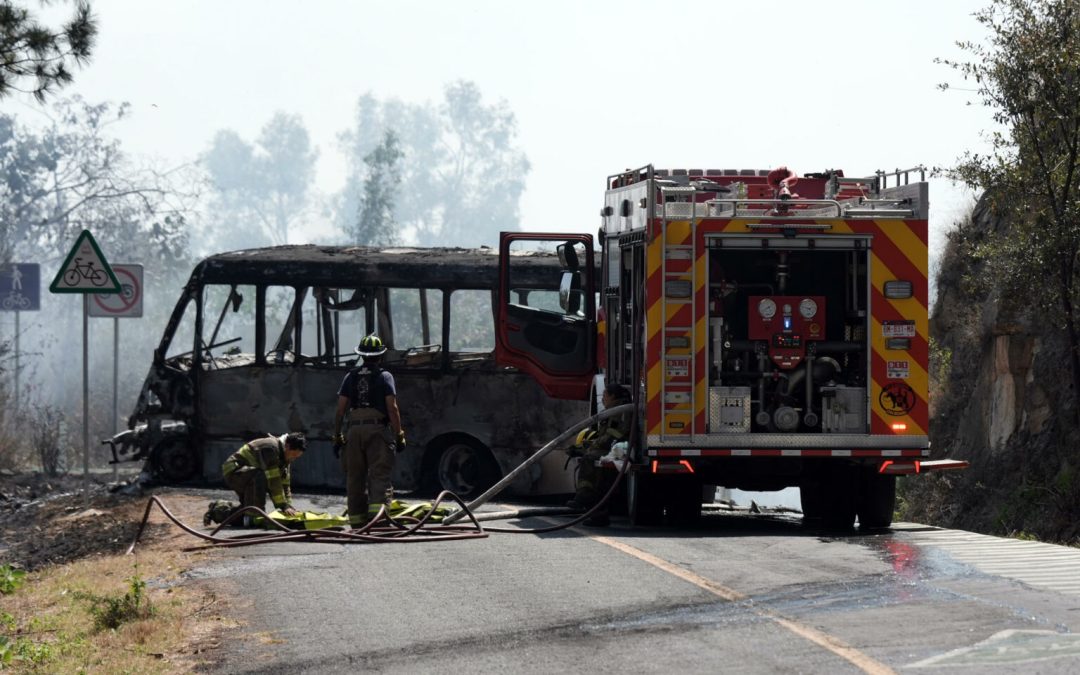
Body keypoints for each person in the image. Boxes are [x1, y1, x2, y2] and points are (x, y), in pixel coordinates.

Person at [333, 334, 406, 528]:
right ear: (380, 356)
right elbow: (392, 408)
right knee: (379, 475)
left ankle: (357, 522)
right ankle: (379, 522)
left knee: (355, 476)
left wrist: (337, 435)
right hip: (377, 430)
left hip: (353, 431)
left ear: (361, 355)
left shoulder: (351, 376)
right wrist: (399, 435)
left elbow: (340, 410)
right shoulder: (385, 376)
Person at [567, 383, 633, 525]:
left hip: (617, 448)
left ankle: (584, 497)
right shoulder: (613, 410)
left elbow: (613, 435)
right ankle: (598, 514)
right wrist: (584, 446)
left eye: (605, 395)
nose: (603, 398)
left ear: (613, 396)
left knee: (589, 460)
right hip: (611, 447)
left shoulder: (618, 411)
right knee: (593, 467)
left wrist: (590, 448)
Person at [221, 432, 307, 522]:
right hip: (234, 472)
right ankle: (254, 516)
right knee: (260, 476)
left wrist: (288, 506)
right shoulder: (271, 448)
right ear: (287, 446)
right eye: (293, 455)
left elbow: (285, 483)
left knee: (245, 510)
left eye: (296, 457)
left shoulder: (285, 456)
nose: (293, 459)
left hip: (248, 474)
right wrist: (283, 506)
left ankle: (218, 511)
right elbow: (274, 480)